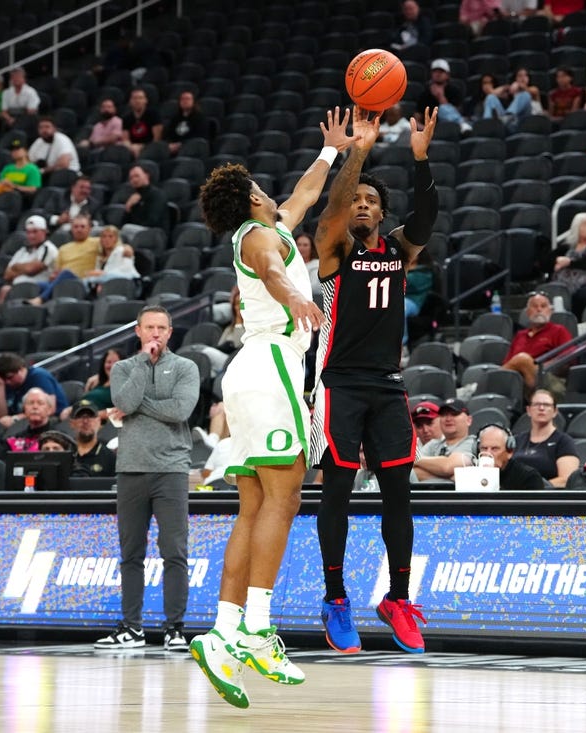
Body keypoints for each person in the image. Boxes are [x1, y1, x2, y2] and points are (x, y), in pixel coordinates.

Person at [189, 107, 350, 708]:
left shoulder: (270, 224)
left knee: (253, 505)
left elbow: (306, 195)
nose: (268, 190)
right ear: (250, 199)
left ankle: (224, 633)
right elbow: (274, 273)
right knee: (286, 498)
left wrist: (332, 152)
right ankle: (258, 625)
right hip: (275, 364)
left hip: (250, 374)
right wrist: (297, 301)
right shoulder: (258, 239)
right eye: (259, 187)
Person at [308, 105, 438, 655]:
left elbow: (427, 218)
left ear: (382, 214)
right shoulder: (335, 250)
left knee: (398, 495)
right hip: (338, 382)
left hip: (387, 385)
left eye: (370, 201)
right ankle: (336, 597)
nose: (361, 204)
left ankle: (398, 599)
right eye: (356, 199)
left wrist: (420, 159)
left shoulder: (398, 252)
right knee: (337, 491)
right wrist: (356, 152)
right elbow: (330, 212)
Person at [93, 305, 199, 652]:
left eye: (162, 328)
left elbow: (180, 411)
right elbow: (123, 398)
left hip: (171, 469)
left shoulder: (186, 367)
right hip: (131, 469)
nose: (155, 333)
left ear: (170, 332)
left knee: (175, 552)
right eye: (149, 327)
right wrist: (141, 371)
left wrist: (137, 405)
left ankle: (175, 628)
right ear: (138, 332)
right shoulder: (124, 367)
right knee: (131, 554)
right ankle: (132, 628)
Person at [500, 291, 573, 392]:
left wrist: (540, 368)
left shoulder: (559, 330)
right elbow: (508, 364)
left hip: (550, 380)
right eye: (535, 306)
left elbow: (568, 358)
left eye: (543, 306)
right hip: (520, 381)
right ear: (527, 312)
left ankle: (487, 384)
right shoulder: (520, 335)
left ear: (550, 311)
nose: (539, 310)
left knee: (522, 359)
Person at [511, 389, 579, 487]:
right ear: (528, 410)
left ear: (555, 411)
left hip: (547, 498)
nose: (541, 408)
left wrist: (535, 487)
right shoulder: (516, 440)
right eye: (537, 404)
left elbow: (567, 479)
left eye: (546, 405)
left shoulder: (564, 442)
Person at [0, 352, 69, 425]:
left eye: (10, 377)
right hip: (21, 423)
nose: (7, 382)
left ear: (20, 369)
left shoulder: (39, 376)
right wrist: (0, 385)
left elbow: (50, 409)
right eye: (3, 379)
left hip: (51, 421)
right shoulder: (5, 383)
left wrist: (16, 419)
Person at [412, 397, 476, 482]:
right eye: (443, 414)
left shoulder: (473, 443)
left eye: (454, 414)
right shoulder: (433, 444)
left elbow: (447, 466)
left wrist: (416, 459)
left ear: (469, 420)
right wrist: (450, 479)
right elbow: (413, 471)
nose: (448, 419)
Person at [0, 215, 58, 303]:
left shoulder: (48, 249)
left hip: (36, 289)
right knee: (4, 289)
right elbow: (7, 275)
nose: (31, 236)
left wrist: (16, 267)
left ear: (44, 232)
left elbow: (32, 270)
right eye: (28, 232)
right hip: (16, 286)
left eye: (35, 232)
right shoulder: (22, 250)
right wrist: (25, 267)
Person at [475, 423, 544, 490]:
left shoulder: (529, 478)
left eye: (495, 449)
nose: (488, 454)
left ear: (509, 451)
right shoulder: (471, 475)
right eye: (484, 448)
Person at [69, 399, 116, 476]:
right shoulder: (65, 453)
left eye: (90, 416)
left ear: (99, 421)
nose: (85, 421)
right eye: (80, 416)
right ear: (71, 423)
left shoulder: (110, 457)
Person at [416, 59, 467, 130]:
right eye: (435, 71)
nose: (438, 74)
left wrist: (441, 97)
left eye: (441, 71)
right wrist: (426, 130)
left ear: (448, 75)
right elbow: (417, 117)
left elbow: (457, 113)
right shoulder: (425, 94)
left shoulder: (454, 91)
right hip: (431, 128)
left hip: (451, 126)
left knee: (443, 109)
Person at [155, 91, 209, 156]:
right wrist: (169, 144)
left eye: (188, 99)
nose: (185, 101)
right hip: (174, 147)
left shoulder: (200, 118)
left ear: (193, 102)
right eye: (182, 99)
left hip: (191, 147)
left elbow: (199, 136)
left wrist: (181, 144)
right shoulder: (175, 118)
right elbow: (170, 134)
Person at [123, 165, 168, 230]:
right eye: (131, 178)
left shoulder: (157, 194)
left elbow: (152, 221)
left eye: (137, 176)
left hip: (154, 233)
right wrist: (128, 207)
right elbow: (123, 223)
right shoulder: (132, 197)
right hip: (133, 231)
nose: (134, 180)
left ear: (146, 176)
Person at [120, 88, 161, 157]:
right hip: (132, 148)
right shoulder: (126, 118)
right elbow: (125, 139)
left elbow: (156, 138)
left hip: (149, 147)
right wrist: (132, 147)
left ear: (146, 100)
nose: (137, 101)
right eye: (134, 98)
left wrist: (142, 147)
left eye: (140, 98)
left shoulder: (153, 115)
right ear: (130, 101)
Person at [294, 230, 321, 298]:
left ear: (311, 248)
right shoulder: (289, 264)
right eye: (298, 244)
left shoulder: (316, 265)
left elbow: (314, 286)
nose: (301, 248)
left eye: (305, 245)